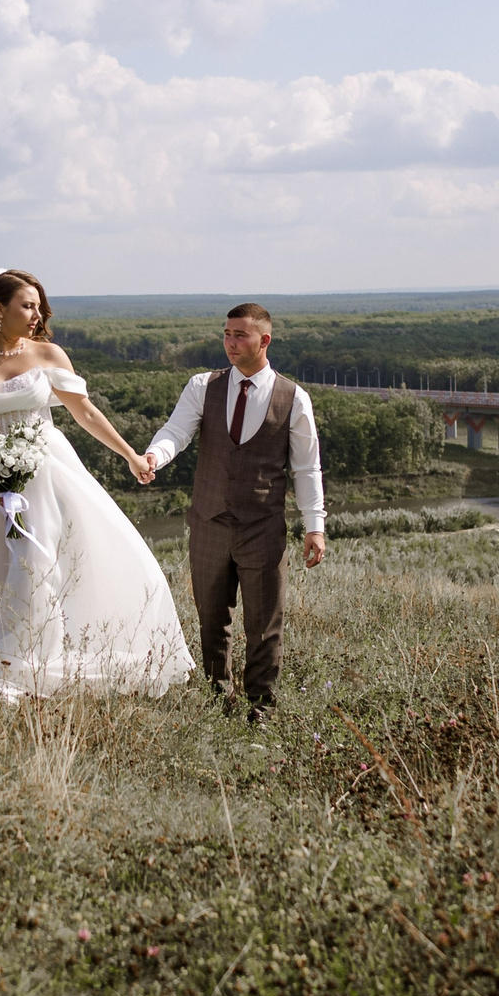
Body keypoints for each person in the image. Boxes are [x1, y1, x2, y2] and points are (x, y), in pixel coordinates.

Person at [0, 268, 195, 700]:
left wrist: (131, 455)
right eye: (27, 305)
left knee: (42, 564)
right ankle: (4, 661)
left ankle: (23, 670)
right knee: (2, 568)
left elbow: (86, 414)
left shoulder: (49, 355)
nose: (37, 313)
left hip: (47, 473)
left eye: (40, 306)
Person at [137, 301, 326, 715]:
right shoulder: (203, 386)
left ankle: (262, 709)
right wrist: (155, 456)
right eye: (226, 333)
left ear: (265, 340)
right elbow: (176, 431)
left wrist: (315, 526)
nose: (230, 342)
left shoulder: (294, 399)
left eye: (240, 334)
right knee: (210, 620)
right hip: (209, 523)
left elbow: (306, 468)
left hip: (262, 527)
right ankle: (215, 700)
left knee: (263, 626)